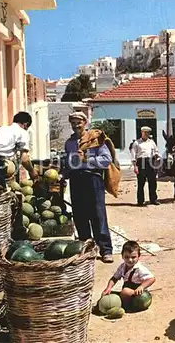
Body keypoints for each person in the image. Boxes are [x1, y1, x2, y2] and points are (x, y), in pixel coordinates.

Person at [63, 112, 114, 263]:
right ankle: (86, 248)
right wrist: (62, 175)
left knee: (98, 214)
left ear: (85, 122)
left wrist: (87, 159)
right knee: (79, 215)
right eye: (73, 122)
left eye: (78, 122)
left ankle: (106, 250)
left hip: (93, 178)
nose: (76, 125)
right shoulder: (69, 143)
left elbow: (106, 159)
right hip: (76, 179)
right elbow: (68, 163)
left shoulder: (95, 139)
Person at [102, 241, 156, 310]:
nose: (130, 260)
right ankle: (119, 303)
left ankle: (126, 306)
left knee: (125, 291)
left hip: (140, 296)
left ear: (139, 256)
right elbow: (114, 278)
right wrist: (108, 288)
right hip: (128, 293)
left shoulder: (140, 269)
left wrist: (141, 287)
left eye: (133, 257)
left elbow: (151, 279)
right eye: (127, 257)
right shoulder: (122, 267)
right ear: (122, 256)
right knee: (105, 294)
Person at [130, 126, 160, 206]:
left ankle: (153, 199)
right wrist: (135, 166)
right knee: (141, 183)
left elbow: (156, 150)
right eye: (145, 132)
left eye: (148, 133)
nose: (146, 134)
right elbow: (133, 156)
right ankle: (140, 201)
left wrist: (156, 155)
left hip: (150, 162)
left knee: (153, 182)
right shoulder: (136, 143)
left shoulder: (152, 142)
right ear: (141, 133)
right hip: (141, 162)